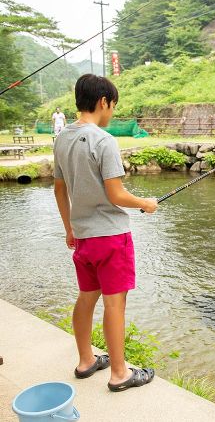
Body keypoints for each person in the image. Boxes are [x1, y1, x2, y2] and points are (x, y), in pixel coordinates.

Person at [53, 74, 158, 392]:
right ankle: (119, 373)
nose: (112, 112)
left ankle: (86, 361)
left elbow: (60, 190)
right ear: (103, 102)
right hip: (111, 238)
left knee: (86, 298)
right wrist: (145, 203)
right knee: (115, 304)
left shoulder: (62, 139)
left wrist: (69, 227)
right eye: (112, 106)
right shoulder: (103, 141)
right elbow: (116, 194)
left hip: (83, 238)